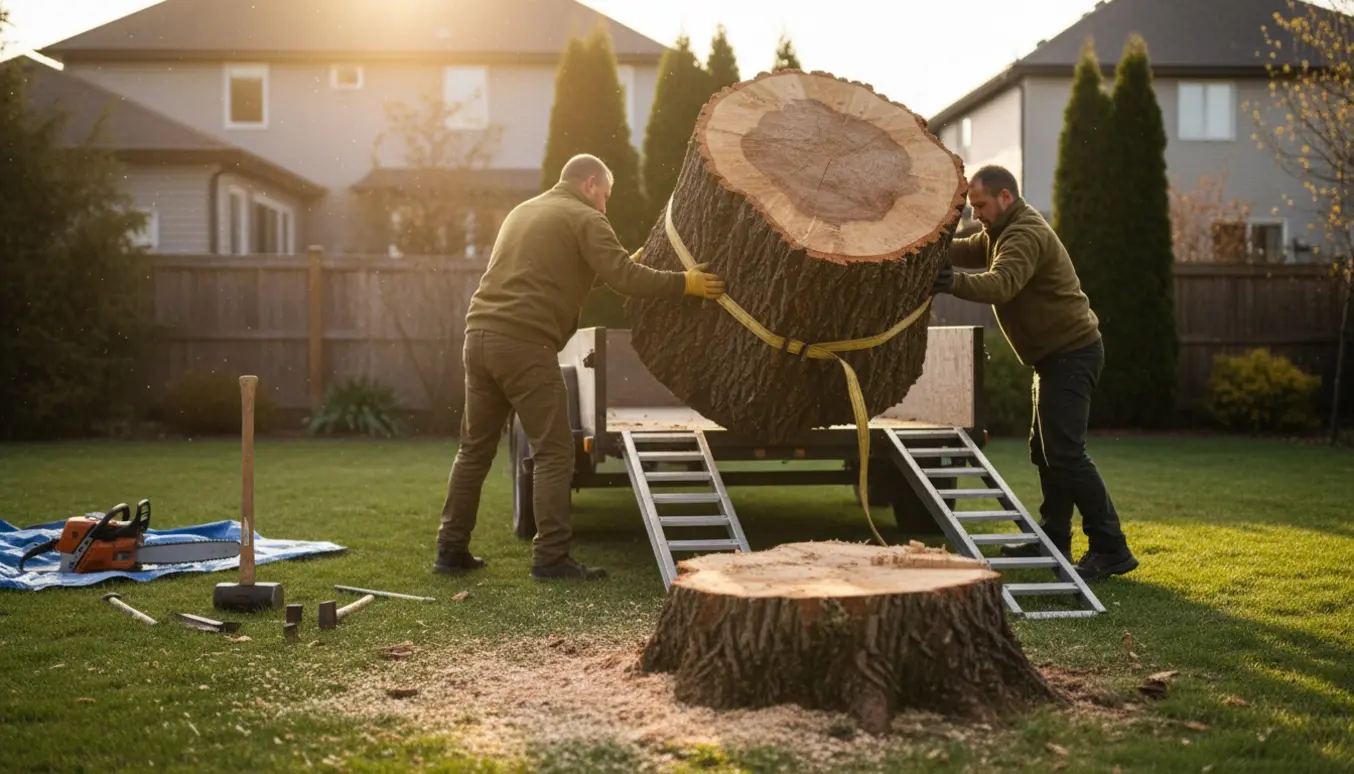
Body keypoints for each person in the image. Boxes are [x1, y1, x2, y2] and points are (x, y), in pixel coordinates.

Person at [431, 153, 725, 581]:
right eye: (605, 195)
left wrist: (624, 260)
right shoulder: (585, 217)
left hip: (478, 337)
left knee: (474, 450)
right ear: (590, 184)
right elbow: (625, 279)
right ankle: (551, 559)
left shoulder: (525, 211)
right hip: (524, 345)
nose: (605, 205)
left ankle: (449, 549)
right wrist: (686, 284)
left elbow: (566, 268)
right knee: (553, 452)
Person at [931, 164, 1138, 581]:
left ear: (1006, 197)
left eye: (982, 206)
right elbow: (967, 248)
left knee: (1066, 453)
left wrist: (950, 283)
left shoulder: (1024, 233)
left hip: (1072, 354)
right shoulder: (998, 232)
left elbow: (1001, 283)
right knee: (1046, 452)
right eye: (973, 208)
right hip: (1053, 358)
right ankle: (1054, 538)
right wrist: (931, 245)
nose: (977, 215)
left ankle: (1111, 547)